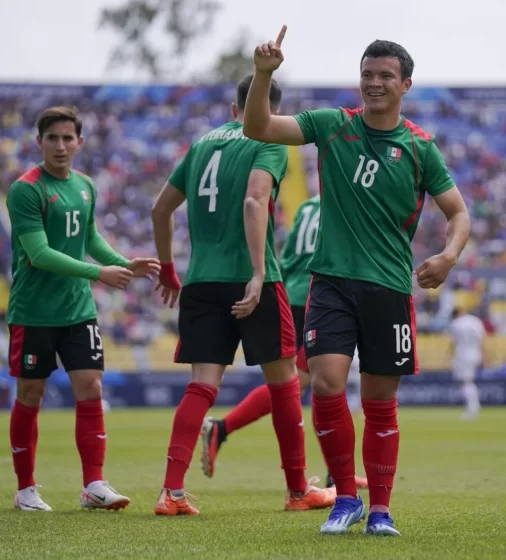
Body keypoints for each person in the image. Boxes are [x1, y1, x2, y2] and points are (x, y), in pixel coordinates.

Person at [242, 28, 471, 536]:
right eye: (367, 74)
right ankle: (346, 497)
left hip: (389, 288)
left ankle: (382, 510)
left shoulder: (419, 147)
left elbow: (458, 213)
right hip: (332, 284)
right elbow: (257, 126)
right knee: (324, 383)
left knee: (379, 402)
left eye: (385, 76)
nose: (373, 83)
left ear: (405, 84)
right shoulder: (331, 125)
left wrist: (449, 256)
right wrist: (264, 74)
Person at [151, 74, 335, 516]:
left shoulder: (200, 145)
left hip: (201, 279)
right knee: (285, 380)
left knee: (201, 386)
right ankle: (297, 491)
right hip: (254, 276)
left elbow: (160, 209)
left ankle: (171, 493)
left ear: (234, 108)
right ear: (268, 111)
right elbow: (255, 202)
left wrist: (170, 269)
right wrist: (256, 273)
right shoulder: (268, 140)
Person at [5, 106, 160, 512]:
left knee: (91, 388)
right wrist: (99, 273)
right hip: (33, 311)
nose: (60, 145)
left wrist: (125, 263)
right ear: (39, 142)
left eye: (67, 138)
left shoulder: (86, 186)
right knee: (31, 393)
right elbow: (38, 254)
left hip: (78, 310)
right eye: (52, 138)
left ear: (79, 142)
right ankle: (25, 489)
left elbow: (90, 238)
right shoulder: (26, 189)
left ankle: (94, 485)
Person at [200, 195, 367, 490]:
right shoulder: (348, 200)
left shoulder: (306, 206)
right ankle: (222, 428)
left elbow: (287, 257)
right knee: (305, 382)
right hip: (323, 297)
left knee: (316, 383)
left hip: (295, 295)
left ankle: (335, 471)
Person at [448, 308, 486, 420]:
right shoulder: (476, 321)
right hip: (476, 353)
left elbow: (453, 342)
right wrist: (484, 357)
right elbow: (483, 339)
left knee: (466, 382)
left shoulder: (456, 323)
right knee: (468, 381)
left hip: (463, 354)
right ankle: (474, 405)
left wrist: (449, 356)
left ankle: (472, 408)